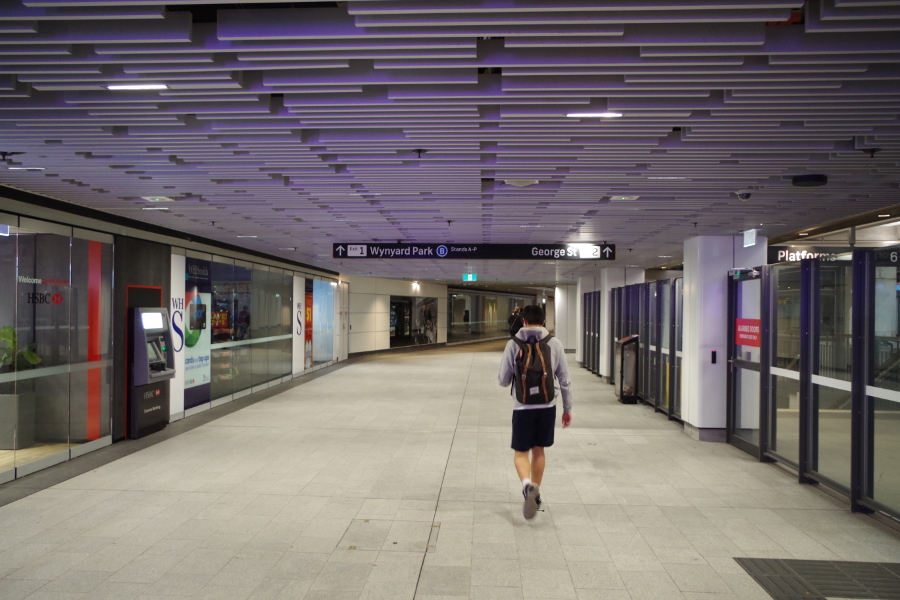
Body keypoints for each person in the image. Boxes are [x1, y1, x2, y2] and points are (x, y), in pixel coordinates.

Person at [498, 304, 573, 520]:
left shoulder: (513, 344)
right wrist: (567, 409)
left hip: (522, 406)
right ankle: (536, 490)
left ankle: (526, 486)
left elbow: (503, 380)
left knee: (521, 452)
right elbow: (565, 380)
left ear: (523, 321)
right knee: (539, 450)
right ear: (544, 322)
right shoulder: (554, 343)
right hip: (547, 405)